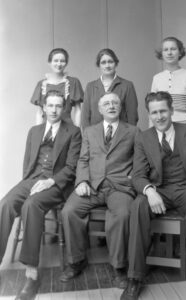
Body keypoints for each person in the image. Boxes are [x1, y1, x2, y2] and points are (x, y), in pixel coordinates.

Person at [121, 91, 186, 300]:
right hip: (158, 189)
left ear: (172, 111)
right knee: (137, 206)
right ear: (149, 115)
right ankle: (135, 277)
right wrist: (149, 191)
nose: (159, 116)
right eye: (154, 113)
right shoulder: (143, 138)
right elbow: (137, 175)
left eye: (163, 110)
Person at [0, 90, 82, 300]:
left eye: (58, 106)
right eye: (50, 106)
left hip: (56, 184)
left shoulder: (73, 132)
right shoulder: (34, 131)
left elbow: (72, 167)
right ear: (44, 108)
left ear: (63, 108)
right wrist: (26, 184)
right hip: (32, 179)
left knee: (31, 205)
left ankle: (31, 272)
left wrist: (51, 181)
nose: (54, 110)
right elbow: (28, 162)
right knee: (6, 203)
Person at [60, 92, 138, 289]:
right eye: (107, 104)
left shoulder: (134, 131)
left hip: (120, 187)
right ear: (100, 109)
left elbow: (140, 160)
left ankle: (119, 267)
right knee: (69, 211)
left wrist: (132, 178)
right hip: (92, 185)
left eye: (115, 103)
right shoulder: (89, 132)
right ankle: (77, 260)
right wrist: (81, 182)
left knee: (121, 215)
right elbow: (83, 159)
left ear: (120, 108)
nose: (111, 106)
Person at [151, 37, 186, 129]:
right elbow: (152, 108)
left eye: (173, 49)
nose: (169, 53)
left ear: (180, 52)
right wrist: (152, 133)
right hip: (162, 128)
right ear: (162, 54)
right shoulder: (157, 78)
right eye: (165, 50)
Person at [81, 48, 138, 130]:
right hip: (95, 137)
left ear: (116, 63)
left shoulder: (127, 85)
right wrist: (88, 138)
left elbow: (132, 116)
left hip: (121, 137)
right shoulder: (90, 86)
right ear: (99, 65)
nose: (107, 65)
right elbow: (85, 117)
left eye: (110, 62)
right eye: (103, 62)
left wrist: (129, 137)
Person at [31, 48, 84, 126]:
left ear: (66, 63)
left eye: (62, 61)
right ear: (49, 62)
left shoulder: (73, 82)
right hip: (46, 127)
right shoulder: (42, 84)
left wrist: (77, 131)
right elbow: (39, 113)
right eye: (55, 61)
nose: (59, 64)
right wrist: (38, 132)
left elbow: (78, 110)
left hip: (67, 128)